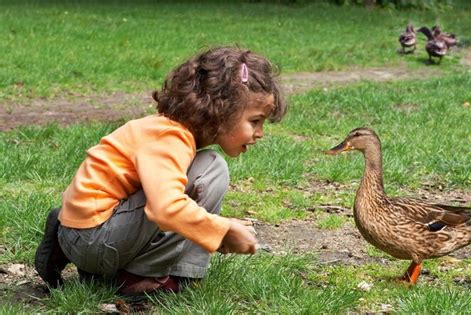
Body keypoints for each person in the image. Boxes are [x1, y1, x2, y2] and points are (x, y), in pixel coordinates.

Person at [34, 46, 287, 296]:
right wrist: (222, 230)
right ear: (221, 110)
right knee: (212, 169)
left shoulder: (170, 132)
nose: (260, 133)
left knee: (198, 172)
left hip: (89, 233)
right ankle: (138, 278)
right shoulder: (169, 138)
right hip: (95, 239)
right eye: (255, 121)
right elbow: (164, 208)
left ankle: (79, 246)